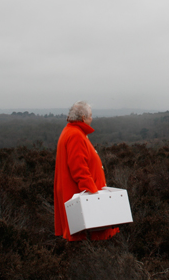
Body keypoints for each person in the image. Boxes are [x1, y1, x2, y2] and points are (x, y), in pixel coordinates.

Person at [54, 101, 119, 241]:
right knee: (86, 247)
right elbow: (80, 171)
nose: (92, 119)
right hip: (81, 203)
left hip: (77, 198)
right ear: (83, 118)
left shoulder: (71, 131)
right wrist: (96, 198)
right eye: (90, 116)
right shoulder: (76, 135)